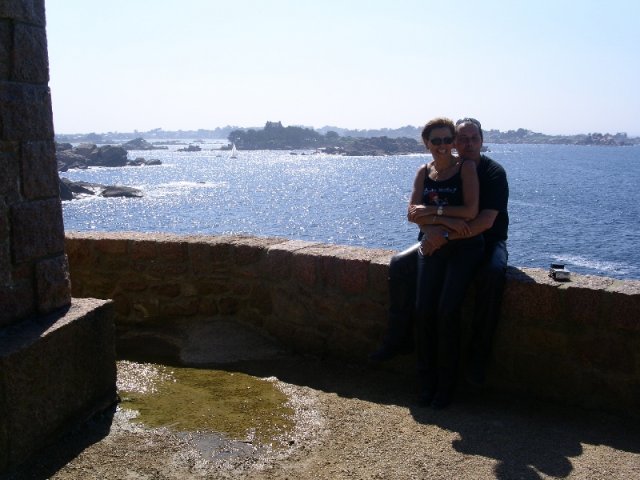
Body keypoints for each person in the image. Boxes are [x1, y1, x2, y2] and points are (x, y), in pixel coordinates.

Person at [370, 117, 509, 392]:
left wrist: (442, 235)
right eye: (462, 139)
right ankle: (399, 337)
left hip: (487, 240)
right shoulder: (437, 169)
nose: (468, 144)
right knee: (400, 264)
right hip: (439, 239)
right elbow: (415, 212)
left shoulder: (492, 172)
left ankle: (478, 357)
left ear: (482, 141)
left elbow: (483, 221)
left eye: (474, 138)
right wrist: (432, 230)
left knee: (492, 275)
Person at [407, 118, 484, 408]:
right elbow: (412, 214)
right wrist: (441, 222)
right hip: (432, 244)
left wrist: (434, 214)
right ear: (427, 143)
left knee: (447, 312)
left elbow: (471, 211)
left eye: (446, 140)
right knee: (423, 311)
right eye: (435, 140)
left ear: (452, 141)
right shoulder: (423, 172)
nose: (442, 146)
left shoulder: (466, 168)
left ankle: (446, 386)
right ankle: (426, 382)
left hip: (464, 248)